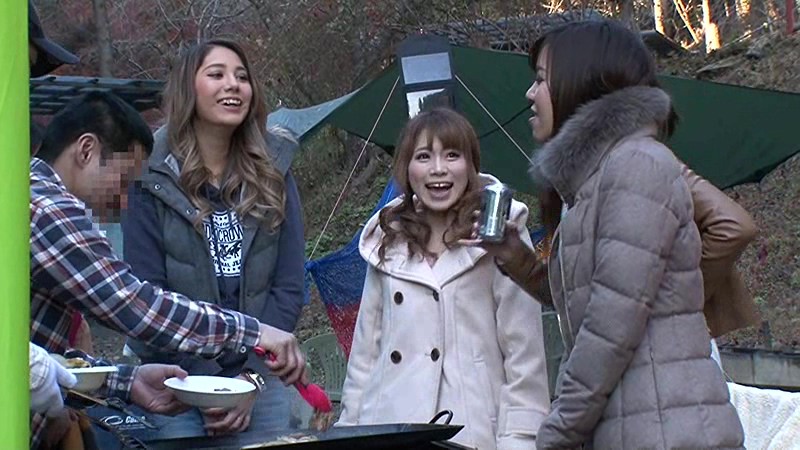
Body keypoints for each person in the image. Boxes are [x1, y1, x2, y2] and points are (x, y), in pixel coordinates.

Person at [505, 20, 744, 449]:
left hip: (670, 433)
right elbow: (585, 298)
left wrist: (557, 431)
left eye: (540, 79)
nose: (530, 93)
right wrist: (516, 258)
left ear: (581, 80)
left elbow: (609, 325)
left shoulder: (637, 165)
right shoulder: (591, 183)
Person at [30, 90, 307, 449]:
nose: (125, 200)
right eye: (124, 181)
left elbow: (36, 356)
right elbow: (136, 305)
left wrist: (127, 382)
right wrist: (252, 333)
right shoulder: (47, 209)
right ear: (86, 150)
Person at [122, 38, 306, 438]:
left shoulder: (275, 168)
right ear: (188, 87)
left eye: (242, 77)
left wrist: (248, 380)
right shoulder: (149, 174)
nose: (233, 85)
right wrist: (209, 387)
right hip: (176, 381)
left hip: (259, 378)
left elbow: (289, 285)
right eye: (217, 74)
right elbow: (144, 293)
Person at [337, 108, 551, 450]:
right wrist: (349, 433)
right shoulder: (387, 239)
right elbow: (365, 356)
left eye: (452, 155)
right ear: (407, 168)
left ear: (470, 164)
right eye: (424, 156)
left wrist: (519, 439)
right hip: (390, 427)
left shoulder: (500, 236)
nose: (438, 169)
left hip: (472, 430)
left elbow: (524, 358)